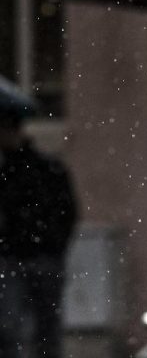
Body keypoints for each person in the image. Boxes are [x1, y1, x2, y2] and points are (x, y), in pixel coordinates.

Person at [0, 112, 78, 358]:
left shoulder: (39, 168)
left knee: (29, 327)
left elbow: (66, 212)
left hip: (29, 255)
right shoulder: (45, 167)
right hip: (28, 256)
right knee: (31, 327)